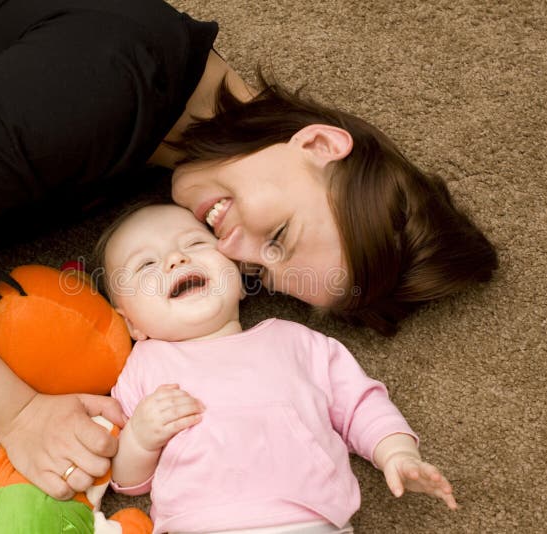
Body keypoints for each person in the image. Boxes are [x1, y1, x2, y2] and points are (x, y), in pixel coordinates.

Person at [0, 0, 495, 497]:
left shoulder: (181, 143)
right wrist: (17, 415)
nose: (233, 249)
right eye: (279, 233)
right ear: (317, 144)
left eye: (261, 271)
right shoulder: (105, 82)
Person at [97, 204, 458, 533]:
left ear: (239, 278)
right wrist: (141, 437)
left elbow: (360, 404)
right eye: (145, 265)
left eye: (194, 243)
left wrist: (396, 452)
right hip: (199, 524)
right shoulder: (143, 366)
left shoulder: (296, 342)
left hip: (311, 516)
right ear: (131, 325)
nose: (175, 259)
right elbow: (128, 481)